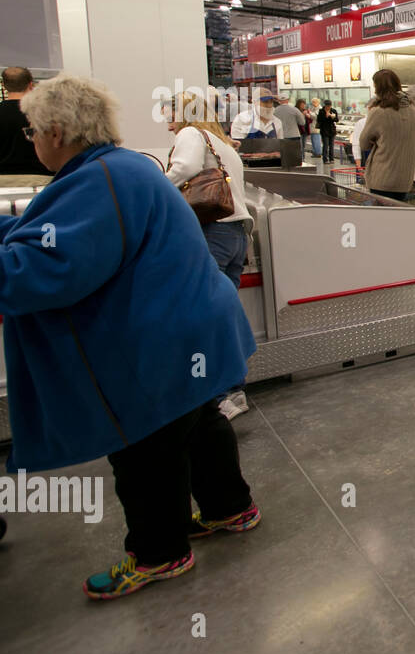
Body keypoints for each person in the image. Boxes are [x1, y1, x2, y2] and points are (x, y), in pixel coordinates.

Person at [4, 76, 259, 599]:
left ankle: (159, 554)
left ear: (56, 130)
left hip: (157, 342)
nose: (31, 140)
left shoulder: (97, 180)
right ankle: (231, 509)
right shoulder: (125, 168)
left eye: (32, 131)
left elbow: (44, 270)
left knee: (144, 447)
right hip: (195, 325)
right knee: (197, 423)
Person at [165, 91, 255, 420]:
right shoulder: (222, 142)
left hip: (211, 232)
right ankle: (234, 390)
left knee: (204, 313)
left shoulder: (191, 135)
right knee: (224, 312)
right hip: (234, 234)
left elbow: (184, 168)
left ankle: (218, 395)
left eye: (170, 111)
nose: (167, 120)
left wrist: (158, 187)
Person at [358, 69, 415, 202]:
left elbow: (364, 143)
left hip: (383, 176)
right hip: (404, 178)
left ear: (378, 88)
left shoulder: (379, 112)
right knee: (397, 218)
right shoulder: (413, 109)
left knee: (381, 219)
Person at [0, 66, 51, 174]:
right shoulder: (45, 113)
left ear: (4, 86)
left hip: (3, 180)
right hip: (40, 177)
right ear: (31, 85)